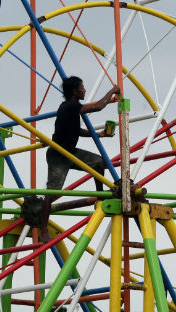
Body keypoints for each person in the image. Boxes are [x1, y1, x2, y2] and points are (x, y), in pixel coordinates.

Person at [41, 76, 120, 242]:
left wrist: (98, 134)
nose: (85, 90)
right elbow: (98, 107)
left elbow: (77, 130)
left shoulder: (70, 108)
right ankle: (43, 229)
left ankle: (99, 197)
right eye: (82, 88)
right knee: (52, 192)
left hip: (71, 152)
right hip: (58, 154)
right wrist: (112, 90)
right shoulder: (70, 106)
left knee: (98, 162)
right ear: (75, 91)